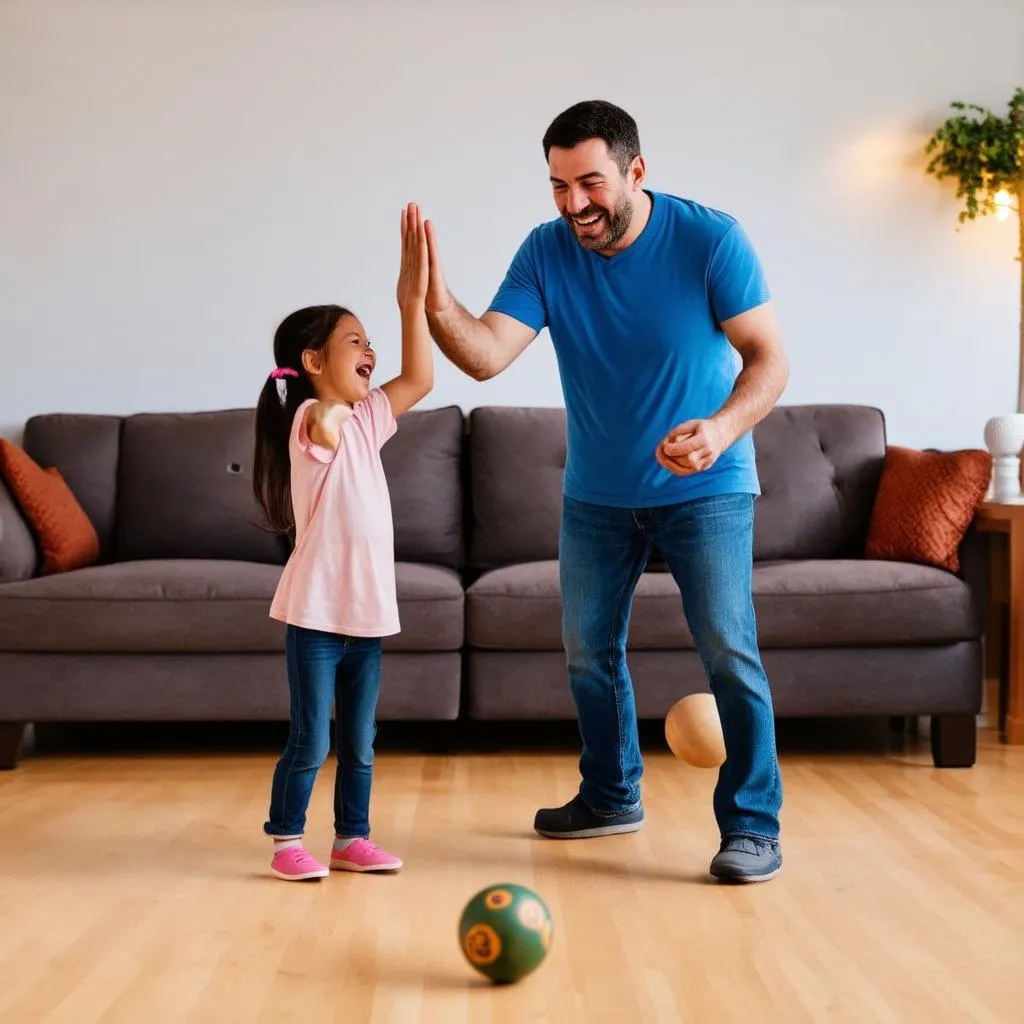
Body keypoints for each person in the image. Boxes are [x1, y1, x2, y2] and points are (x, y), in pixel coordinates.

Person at [421, 101, 789, 883]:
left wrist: (721, 429)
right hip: (597, 493)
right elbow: (486, 355)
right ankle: (611, 794)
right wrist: (435, 302)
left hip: (708, 483)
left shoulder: (709, 239)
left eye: (590, 183)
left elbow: (768, 360)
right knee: (589, 652)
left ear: (636, 171)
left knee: (728, 651)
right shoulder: (548, 251)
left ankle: (753, 827)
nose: (574, 204)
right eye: (558, 186)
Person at [252, 203, 433, 881]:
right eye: (355, 342)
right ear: (312, 360)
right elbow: (323, 423)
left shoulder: (367, 416)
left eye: (368, 341)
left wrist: (409, 301)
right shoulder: (310, 417)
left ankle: (351, 838)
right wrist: (333, 403)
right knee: (312, 737)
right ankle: (286, 840)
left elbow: (420, 378)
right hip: (315, 613)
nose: (370, 351)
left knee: (360, 740)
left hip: (366, 613)